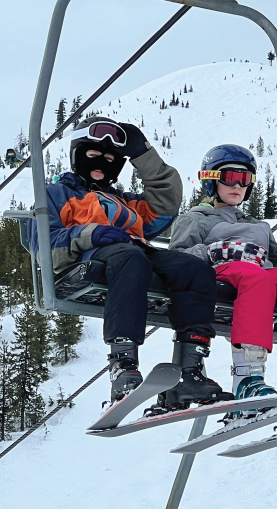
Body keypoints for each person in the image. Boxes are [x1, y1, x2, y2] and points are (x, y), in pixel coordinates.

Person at [31, 117, 230, 408]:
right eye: (93, 155)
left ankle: (190, 369)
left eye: (111, 158)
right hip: (88, 259)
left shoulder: (121, 201)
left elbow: (164, 204)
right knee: (131, 258)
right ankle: (123, 364)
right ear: (77, 156)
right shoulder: (56, 195)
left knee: (194, 269)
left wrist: (143, 154)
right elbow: (45, 246)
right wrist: (91, 234)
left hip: (132, 253)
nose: (102, 162)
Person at [170, 144, 277, 426]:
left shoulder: (258, 226)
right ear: (211, 180)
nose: (237, 185)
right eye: (229, 177)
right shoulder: (195, 218)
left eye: (245, 179)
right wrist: (217, 252)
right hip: (218, 274)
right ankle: (247, 380)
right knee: (256, 277)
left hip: (257, 274)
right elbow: (176, 261)